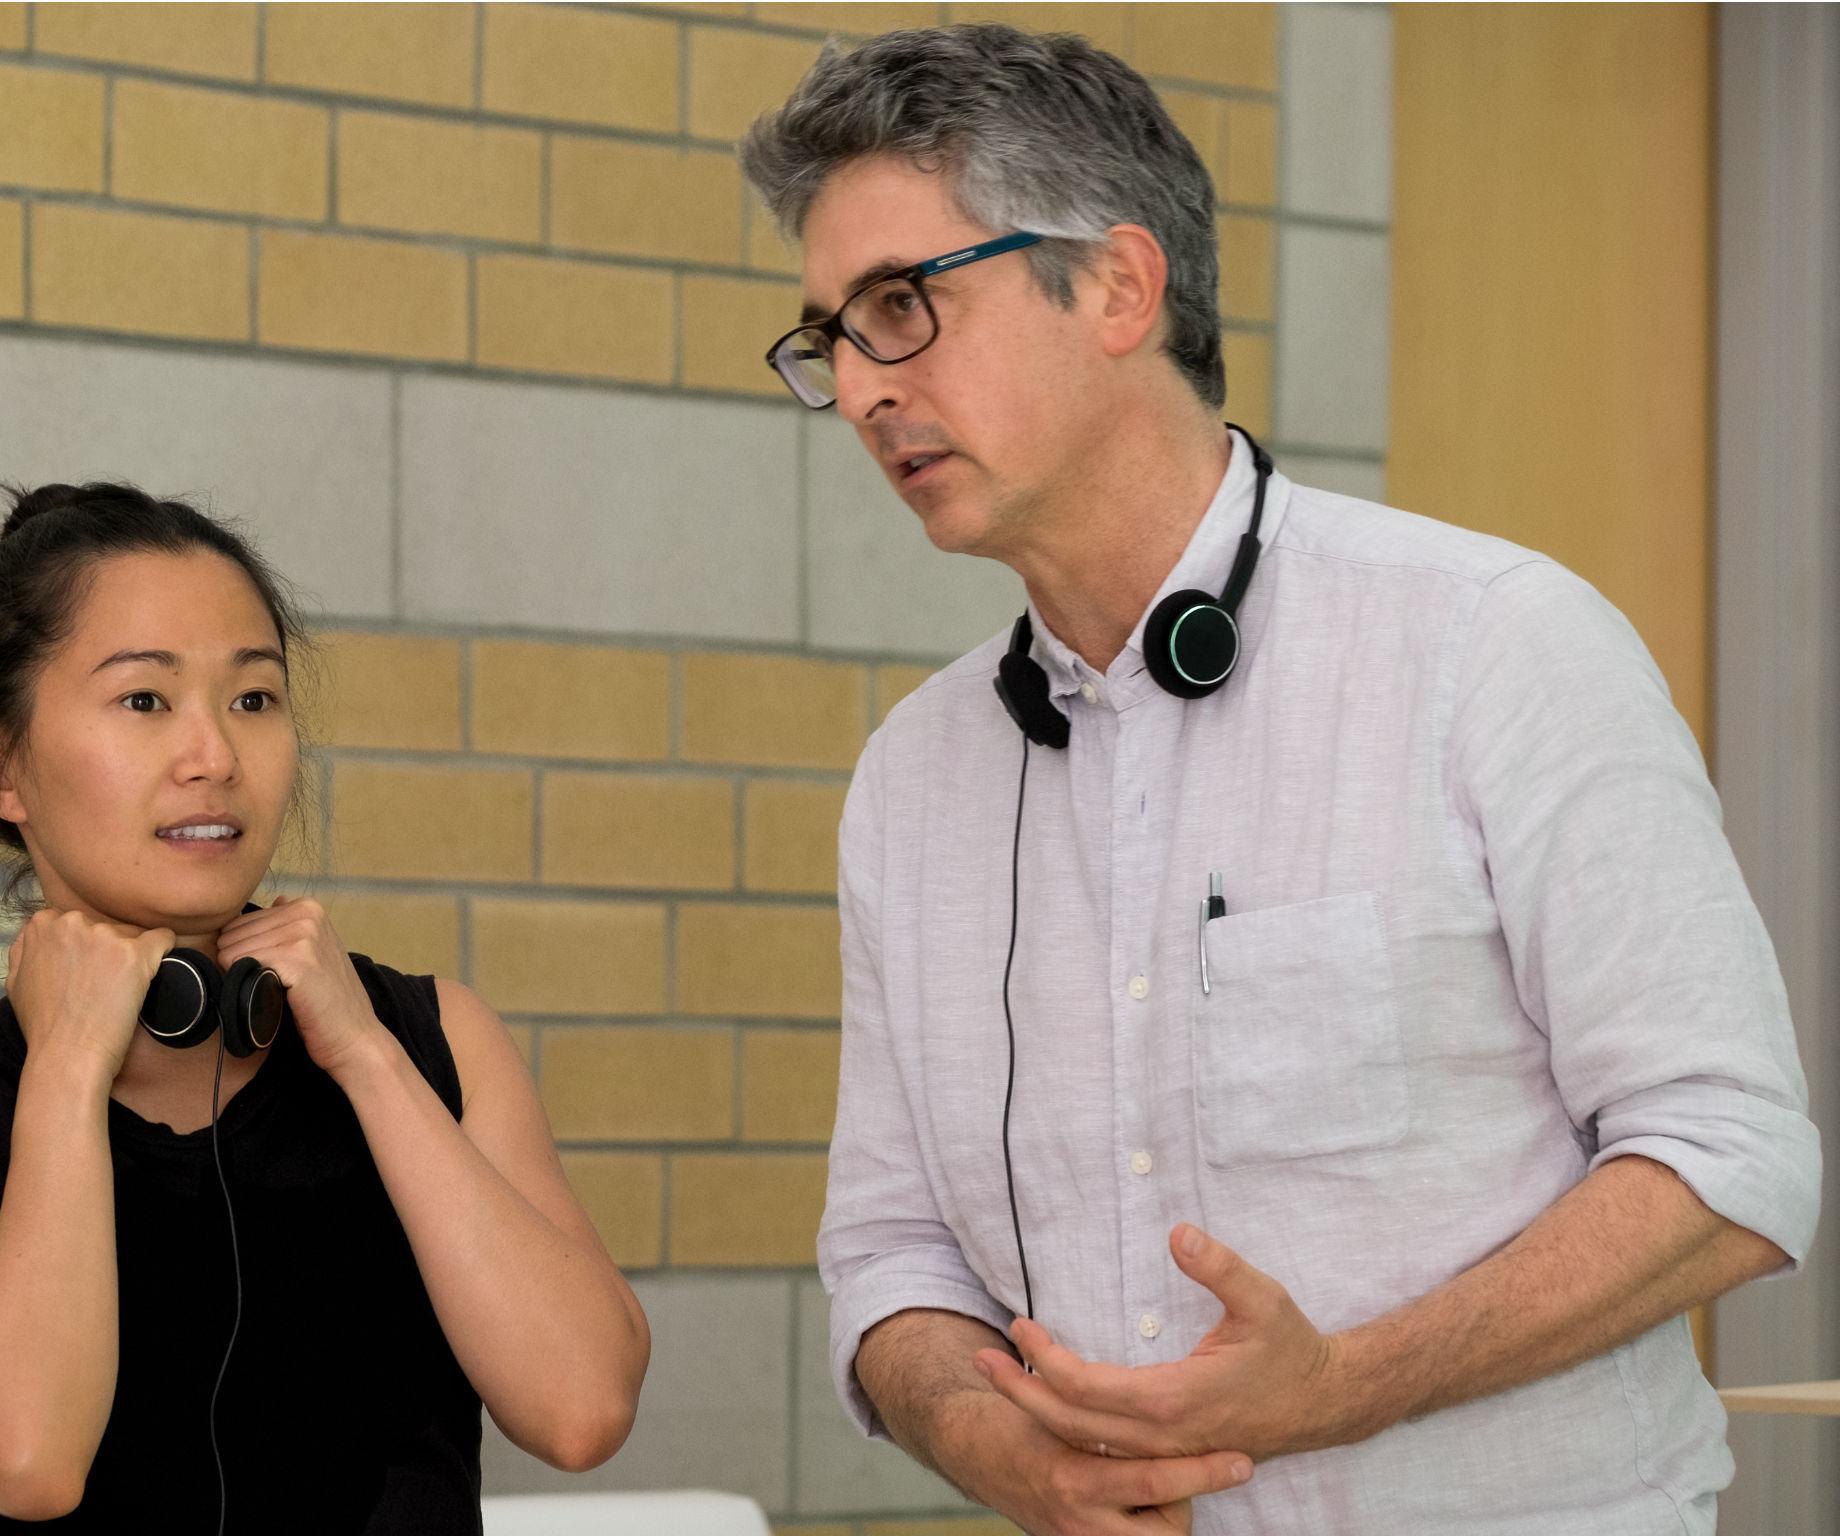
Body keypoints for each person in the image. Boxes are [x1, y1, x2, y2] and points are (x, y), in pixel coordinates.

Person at [738, 24, 1820, 1536]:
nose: (859, 389)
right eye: (829, 338)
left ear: (1119, 285)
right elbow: (894, 1255)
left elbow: (1730, 1159)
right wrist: (1002, 1453)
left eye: (903, 309)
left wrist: (1344, 1384)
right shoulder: (915, 780)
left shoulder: (1494, 644)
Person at [0, 482, 650, 1532]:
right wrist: (68, 1063)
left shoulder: (434, 1039)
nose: (214, 758)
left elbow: (581, 1411)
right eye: (144, 701)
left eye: (253, 699)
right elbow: (25, 1459)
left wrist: (368, 1059)